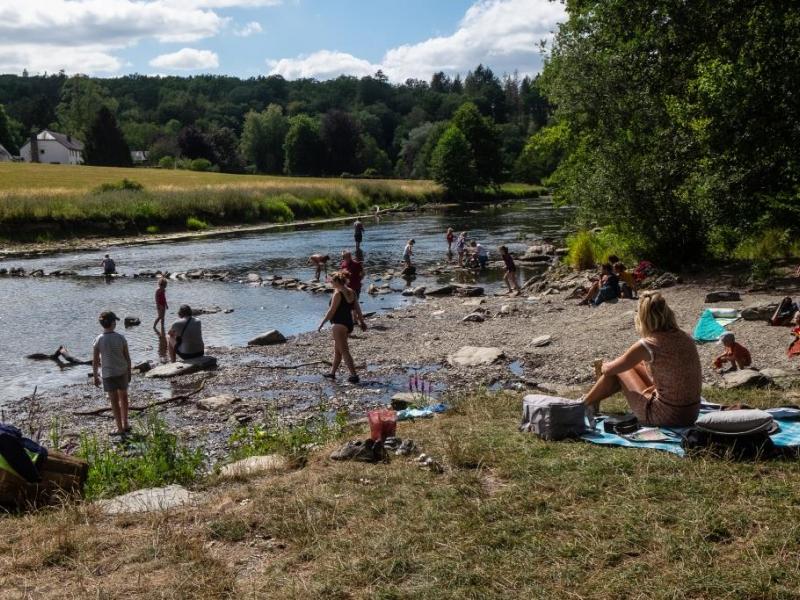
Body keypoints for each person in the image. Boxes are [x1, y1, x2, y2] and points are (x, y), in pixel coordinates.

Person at [582, 291, 702, 427]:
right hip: (691, 414)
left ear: (643, 318)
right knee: (631, 365)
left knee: (619, 370)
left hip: (665, 417)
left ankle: (583, 404)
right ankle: (588, 403)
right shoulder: (685, 337)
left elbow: (609, 370)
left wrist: (605, 365)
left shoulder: (649, 344)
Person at [318, 271, 367, 383]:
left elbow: (331, 311)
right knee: (338, 351)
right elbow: (357, 308)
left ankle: (354, 375)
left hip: (338, 324)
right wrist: (361, 322)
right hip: (348, 324)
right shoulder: (352, 292)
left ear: (337, 281)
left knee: (344, 351)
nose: (331, 283)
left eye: (332, 281)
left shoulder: (338, 293)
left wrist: (322, 323)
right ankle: (332, 373)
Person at [92, 311, 131, 437]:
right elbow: (127, 357)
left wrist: (95, 376)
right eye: (115, 321)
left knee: (114, 401)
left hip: (108, 374)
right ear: (113, 323)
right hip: (122, 371)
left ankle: (119, 428)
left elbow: (95, 361)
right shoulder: (120, 338)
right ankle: (126, 423)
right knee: (124, 397)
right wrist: (129, 372)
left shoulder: (98, 339)